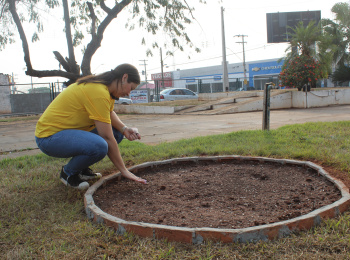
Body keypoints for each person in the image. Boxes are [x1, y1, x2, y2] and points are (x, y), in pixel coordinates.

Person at [35, 64, 147, 190]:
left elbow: (108, 113)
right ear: (124, 77)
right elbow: (106, 137)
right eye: (130, 88)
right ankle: (68, 173)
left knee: (117, 133)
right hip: (49, 137)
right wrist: (124, 170)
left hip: (67, 132)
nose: (128, 93)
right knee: (100, 145)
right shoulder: (98, 91)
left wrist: (124, 129)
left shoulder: (105, 90)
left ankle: (81, 169)